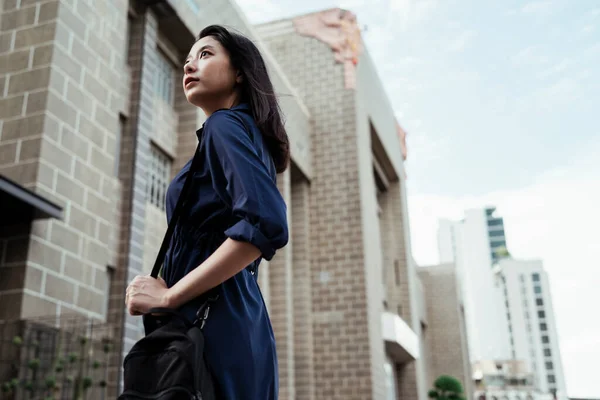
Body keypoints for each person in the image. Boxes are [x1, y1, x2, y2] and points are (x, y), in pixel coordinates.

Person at [124, 24, 290, 400]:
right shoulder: (240, 134)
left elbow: (266, 223)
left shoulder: (224, 125)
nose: (188, 67)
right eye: (186, 60)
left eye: (205, 55)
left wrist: (168, 297)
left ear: (240, 73)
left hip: (217, 319)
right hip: (235, 316)